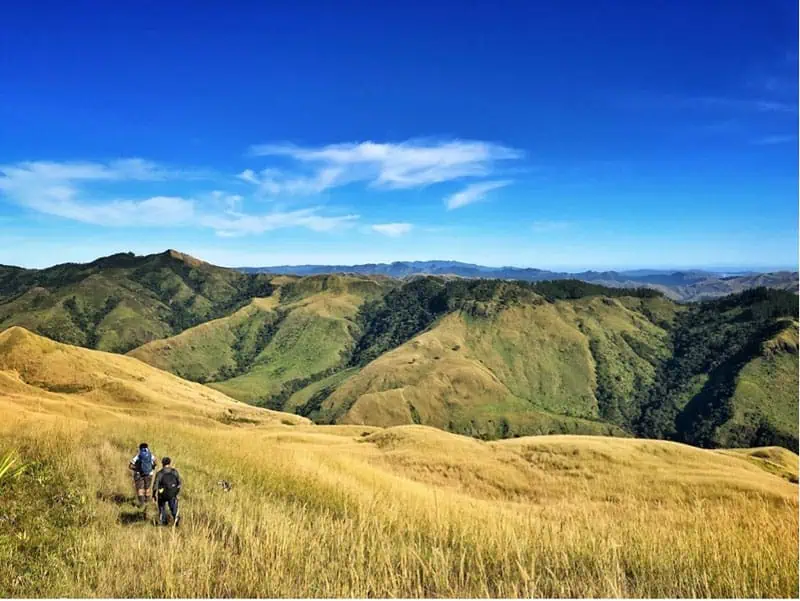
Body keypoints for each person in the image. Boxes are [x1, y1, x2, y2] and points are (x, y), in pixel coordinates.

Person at [153, 456, 182, 526]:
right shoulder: (174, 472)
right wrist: (176, 492)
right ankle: (176, 519)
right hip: (172, 494)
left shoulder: (160, 473)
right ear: (170, 463)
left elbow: (155, 486)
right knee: (173, 508)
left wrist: (154, 495)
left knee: (162, 507)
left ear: (162, 463)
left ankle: (162, 520)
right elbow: (179, 483)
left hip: (162, 494)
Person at [128, 442, 158, 509]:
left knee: (140, 489)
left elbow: (130, 466)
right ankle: (147, 503)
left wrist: (136, 469)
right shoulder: (150, 454)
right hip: (149, 474)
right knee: (147, 488)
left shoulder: (138, 455)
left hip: (139, 474)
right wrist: (152, 467)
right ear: (147, 447)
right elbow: (156, 462)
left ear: (140, 448)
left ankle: (141, 504)